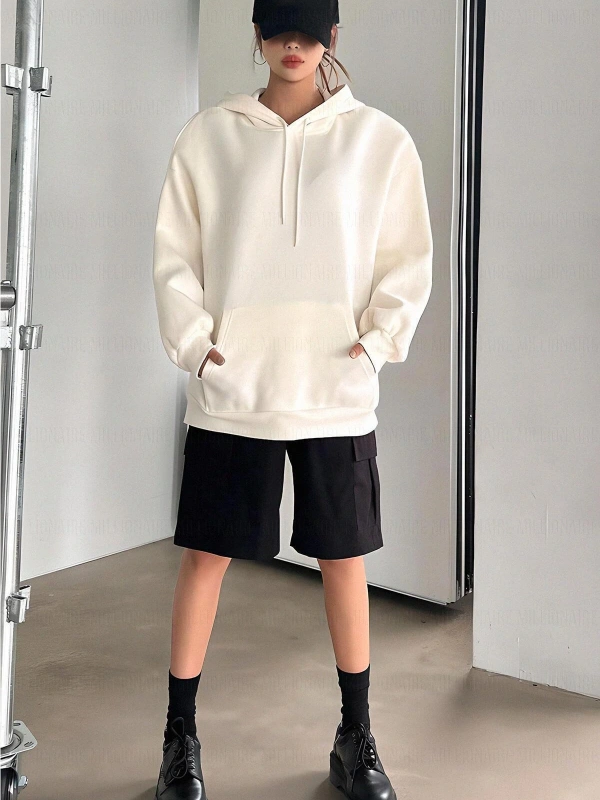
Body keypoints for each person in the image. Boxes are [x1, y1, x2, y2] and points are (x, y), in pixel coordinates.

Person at [152, 1, 433, 797]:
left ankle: (357, 737)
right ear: (257, 33)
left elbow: (406, 257)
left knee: (343, 558)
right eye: (279, 29)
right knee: (205, 557)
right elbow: (175, 253)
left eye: (309, 32)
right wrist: (196, 345)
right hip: (234, 385)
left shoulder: (379, 141)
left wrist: (376, 344)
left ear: (332, 37)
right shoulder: (209, 138)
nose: (293, 45)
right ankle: (179, 738)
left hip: (334, 389)